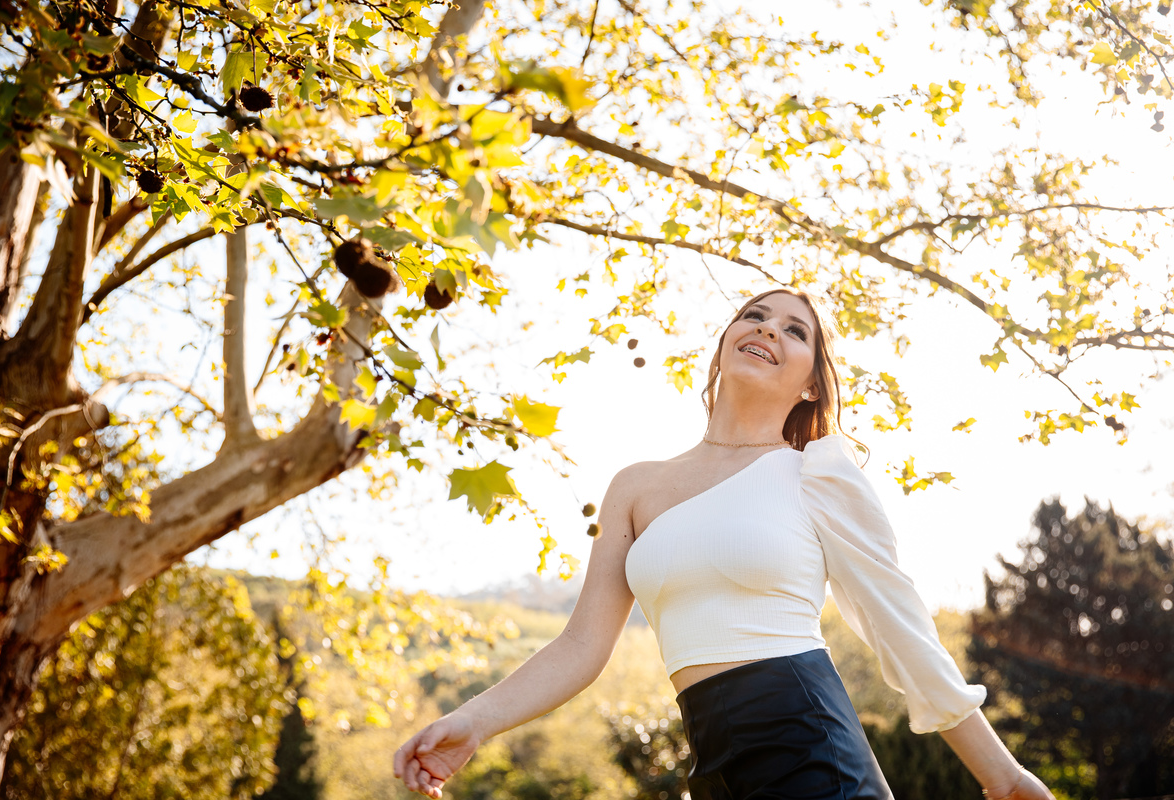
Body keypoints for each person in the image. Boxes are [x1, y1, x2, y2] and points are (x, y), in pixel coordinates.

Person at [393, 288, 1056, 800]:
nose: (770, 327)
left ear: (811, 385)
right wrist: (474, 722)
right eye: (755, 316)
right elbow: (580, 646)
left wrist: (1000, 774)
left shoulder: (818, 474)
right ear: (723, 344)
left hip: (811, 748)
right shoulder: (635, 486)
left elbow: (901, 625)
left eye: (795, 331)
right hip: (711, 762)